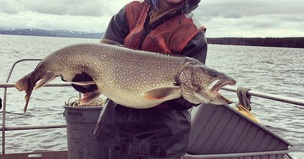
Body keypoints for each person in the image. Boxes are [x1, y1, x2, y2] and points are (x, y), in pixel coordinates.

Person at [72, 0, 207, 158]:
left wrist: (190, 94)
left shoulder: (193, 32)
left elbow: (187, 98)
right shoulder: (130, 12)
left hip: (163, 136)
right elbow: (101, 60)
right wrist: (85, 82)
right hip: (118, 125)